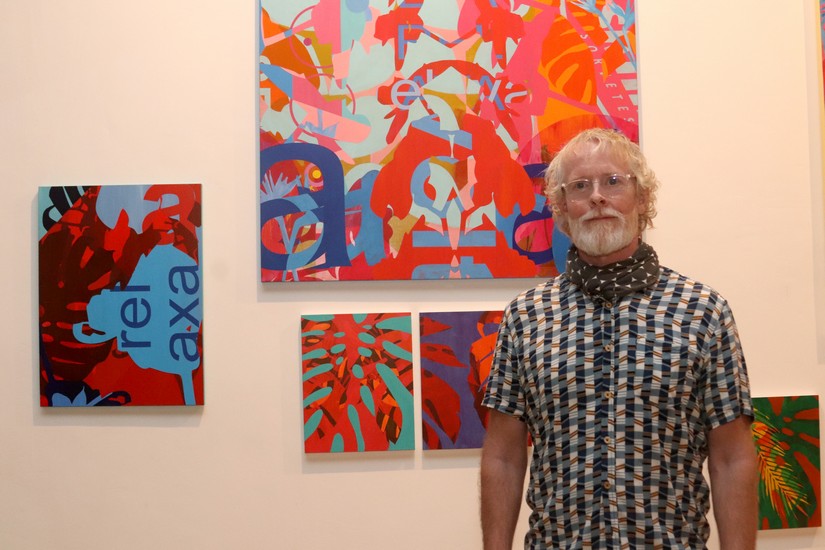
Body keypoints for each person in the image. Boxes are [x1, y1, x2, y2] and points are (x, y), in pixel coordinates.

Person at [479, 128, 757, 549]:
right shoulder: (526, 317)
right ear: (561, 208)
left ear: (642, 198)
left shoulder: (703, 312)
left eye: (613, 181)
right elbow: (502, 457)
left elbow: (732, 458)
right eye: (580, 186)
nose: (597, 197)